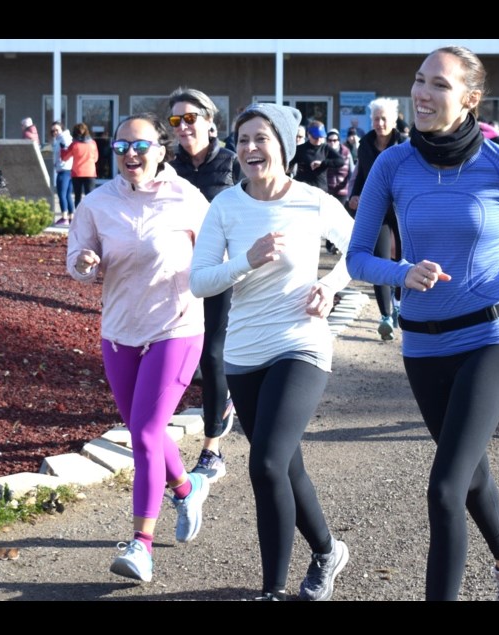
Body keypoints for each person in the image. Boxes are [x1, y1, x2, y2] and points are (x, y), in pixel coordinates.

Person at [346, 45, 499, 601]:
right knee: (469, 470)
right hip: (423, 348)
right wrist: (402, 271)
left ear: (470, 99)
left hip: (490, 340)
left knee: (445, 488)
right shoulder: (392, 163)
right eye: (419, 80)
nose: (422, 93)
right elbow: (358, 257)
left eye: (439, 85)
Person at [190, 103, 354, 601]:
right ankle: (327, 552)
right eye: (242, 140)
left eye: (261, 138)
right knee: (287, 465)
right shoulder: (225, 206)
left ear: (283, 146)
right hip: (243, 351)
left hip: (300, 343)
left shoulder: (313, 201)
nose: (250, 148)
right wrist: (246, 259)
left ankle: (272, 591)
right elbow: (199, 282)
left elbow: (362, 250)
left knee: (264, 464)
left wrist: (331, 285)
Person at [66, 112, 212, 583]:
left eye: (141, 146)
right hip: (119, 331)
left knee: (146, 431)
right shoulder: (98, 203)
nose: (131, 154)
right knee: (141, 427)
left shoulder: (188, 198)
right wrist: (84, 262)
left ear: (161, 151)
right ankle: (187, 488)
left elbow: (216, 257)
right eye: (123, 147)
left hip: (177, 326)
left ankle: (141, 545)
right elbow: (76, 258)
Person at [167, 87, 242, 483]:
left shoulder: (233, 163)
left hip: (222, 272)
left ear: (211, 122)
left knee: (213, 356)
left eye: (191, 118)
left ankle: (212, 449)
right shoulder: (167, 167)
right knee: (188, 358)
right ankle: (221, 398)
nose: (183, 127)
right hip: (178, 277)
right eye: (176, 120)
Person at [348, 97, 405, 340]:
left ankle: (400, 301)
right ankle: (385, 316)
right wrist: (354, 195)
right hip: (376, 209)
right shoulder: (365, 145)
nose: (379, 123)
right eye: (376, 118)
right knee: (379, 260)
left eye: (384, 119)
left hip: (401, 208)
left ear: (393, 120)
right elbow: (360, 175)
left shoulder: (405, 145)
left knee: (404, 258)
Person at [290, 120, 345, 192]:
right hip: (303, 188)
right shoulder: (300, 149)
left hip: (320, 188)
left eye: (321, 137)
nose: (319, 140)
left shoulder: (325, 148)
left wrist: (322, 163)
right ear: (308, 134)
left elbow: (340, 161)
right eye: (316, 137)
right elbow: (288, 165)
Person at [62, 123, 99, 207]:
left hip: (77, 172)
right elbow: (96, 159)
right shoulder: (93, 143)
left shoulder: (74, 145)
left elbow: (65, 157)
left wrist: (63, 149)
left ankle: (79, 216)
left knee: (77, 197)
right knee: (90, 197)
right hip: (90, 172)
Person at [51, 122, 74, 225]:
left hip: (64, 169)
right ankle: (71, 217)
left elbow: (65, 153)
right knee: (68, 194)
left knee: (62, 194)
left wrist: (59, 163)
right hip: (68, 169)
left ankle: (64, 217)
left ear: (62, 129)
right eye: (53, 131)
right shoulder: (63, 138)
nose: (55, 132)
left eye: (57, 130)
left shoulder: (63, 139)